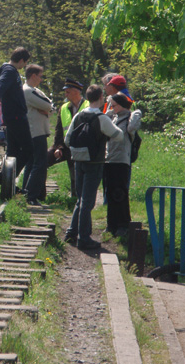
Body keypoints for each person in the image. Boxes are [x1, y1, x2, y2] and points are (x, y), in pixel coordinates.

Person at [64, 84, 123, 250]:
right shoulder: (102, 118)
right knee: (87, 202)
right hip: (95, 162)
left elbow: (68, 140)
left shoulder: (78, 116)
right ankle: (83, 238)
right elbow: (119, 136)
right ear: (101, 98)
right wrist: (112, 120)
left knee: (80, 199)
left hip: (78, 160)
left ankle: (71, 232)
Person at [0, 47, 33, 179]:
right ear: (22, 60)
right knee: (28, 149)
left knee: (13, 151)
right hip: (16, 117)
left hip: (11, 116)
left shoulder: (10, 71)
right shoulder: (10, 71)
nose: (24, 66)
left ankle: (8, 182)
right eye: (25, 63)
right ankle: (8, 178)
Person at [104, 92, 142, 237]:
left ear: (121, 105)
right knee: (110, 192)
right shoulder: (113, 117)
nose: (111, 107)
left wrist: (135, 112)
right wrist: (109, 109)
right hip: (109, 160)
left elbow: (132, 127)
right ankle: (111, 224)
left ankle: (123, 224)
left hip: (121, 161)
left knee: (120, 193)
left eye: (114, 105)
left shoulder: (128, 118)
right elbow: (103, 119)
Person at [47, 78, 89, 197]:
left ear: (76, 92)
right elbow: (59, 130)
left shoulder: (88, 106)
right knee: (43, 160)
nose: (65, 95)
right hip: (66, 146)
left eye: (67, 92)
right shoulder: (64, 108)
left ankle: (76, 197)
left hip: (81, 147)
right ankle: (38, 195)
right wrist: (58, 147)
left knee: (76, 173)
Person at [22, 64, 53, 205]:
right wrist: (47, 109)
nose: (41, 79)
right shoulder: (28, 91)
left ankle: (27, 193)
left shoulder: (34, 91)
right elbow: (48, 105)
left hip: (34, 132)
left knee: (32, 164)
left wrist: (48, 108)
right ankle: (31, 195)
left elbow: (50, 105)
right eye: (40, 76)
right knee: (39, 164)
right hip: (36, 132)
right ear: (33, 76)